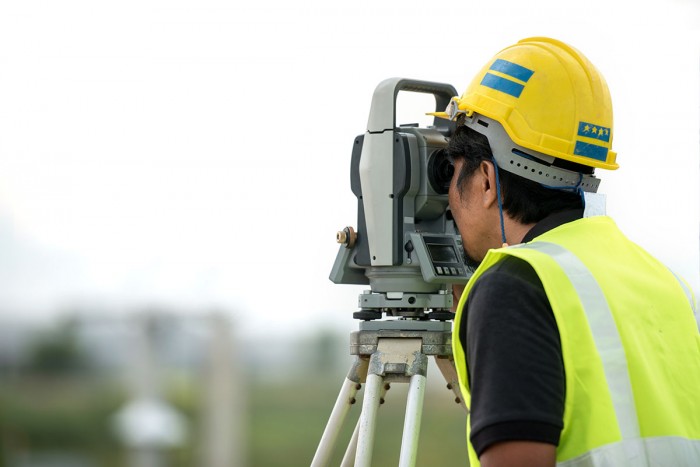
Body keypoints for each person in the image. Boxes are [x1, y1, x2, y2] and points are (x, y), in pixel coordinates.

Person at [435, 37, 700, 466]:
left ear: (486, 179)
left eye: (453, 171)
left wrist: (492, 311)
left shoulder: (515, 287)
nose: (448, 195)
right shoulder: (666, 284)